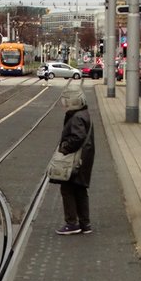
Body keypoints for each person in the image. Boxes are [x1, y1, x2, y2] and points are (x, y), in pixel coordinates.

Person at [56, 82, 95, 235]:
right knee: (80, 189)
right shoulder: (84, 114)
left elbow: (77, 137)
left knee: (67, 189)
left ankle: (72, 223)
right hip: (85, 157)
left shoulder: (77, 117)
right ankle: (85, 224)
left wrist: (64, 147)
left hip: (76, 159)